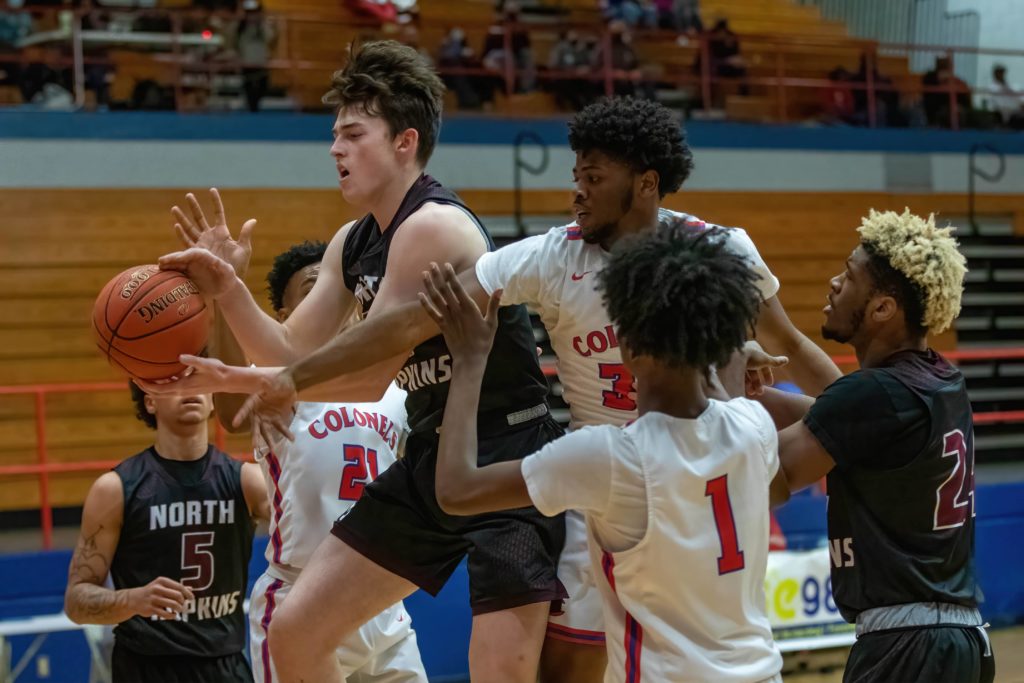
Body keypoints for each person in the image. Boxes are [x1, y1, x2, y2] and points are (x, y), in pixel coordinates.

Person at [154, 95, 836, 682]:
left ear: (647, 184)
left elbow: (796, 349)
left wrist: (872, 408)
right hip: (605, 477)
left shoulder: (721, 250)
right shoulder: (555, 254)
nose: (577, 191)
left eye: (593, 178)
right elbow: (413, 320)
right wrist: (290, 374)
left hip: (651, 462)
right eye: (576, 174)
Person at [149, 40, 565, 683]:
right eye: (334, 135)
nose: (335, 150)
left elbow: (368, 377)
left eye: (352, 134)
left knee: (499, 675)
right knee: (295, 631)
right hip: (433, 451)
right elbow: (293, 350)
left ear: (404, 141)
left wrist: (252, 380)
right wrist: (227, 288)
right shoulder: (354, 241)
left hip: (507, 457)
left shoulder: (432, 226)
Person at [418, 224, 787, 683]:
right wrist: (733, 353)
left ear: (626, 345)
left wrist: (470, 359)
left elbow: (456, 491)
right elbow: (749, 440)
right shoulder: (753, 427)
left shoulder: (611, 457)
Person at [761, 209, 995, 682]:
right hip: (959, 639)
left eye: (848, 276)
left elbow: (769, 476)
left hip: (908, 648)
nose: (833, 283)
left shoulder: (878, 393)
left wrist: (698, 394)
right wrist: (756, 386)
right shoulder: (939, 380)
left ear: (883, 308)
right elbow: (835, 414)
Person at [190, 235, 427, 682]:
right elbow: (230, 408)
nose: (330, 303)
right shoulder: (279, 386)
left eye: (337, 292)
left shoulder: (392, 385)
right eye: (311, 290)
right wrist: (223, 291)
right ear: (286, 318)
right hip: (299, 593)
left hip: (379, 598)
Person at [63, 386, 269, 682]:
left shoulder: (247, 481)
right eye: (174, 383)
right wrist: (133, 600)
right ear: (150, 402)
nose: (190, 390)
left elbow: (305, 528)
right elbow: (75, 601)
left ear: (213, 401)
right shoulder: (115, 489)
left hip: (224, 665)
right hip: (144, 667)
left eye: (199, 382)